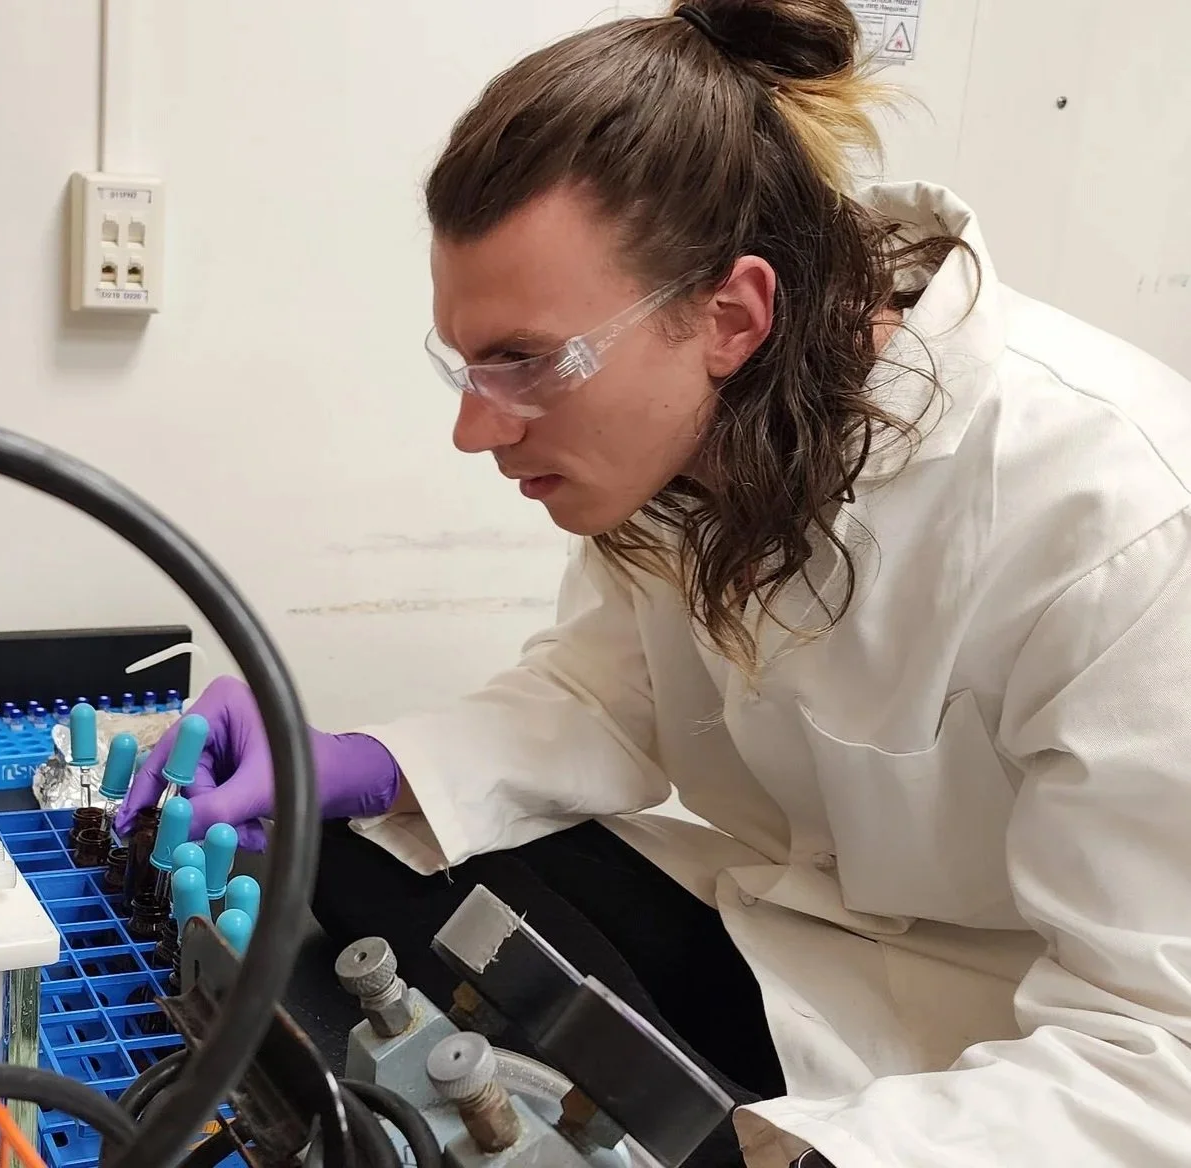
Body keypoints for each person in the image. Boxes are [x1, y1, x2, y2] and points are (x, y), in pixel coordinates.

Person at [119, 0, 1191, 1163]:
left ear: (731, 313)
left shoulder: (1115, 513)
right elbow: (608, 693)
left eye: (527, 361)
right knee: (336, 861)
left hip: (996, 1065)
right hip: (778, 945)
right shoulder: (714, 435)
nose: (476, 430)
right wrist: (360, 760)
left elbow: (1156, 1054)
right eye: (467, 364)